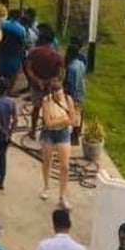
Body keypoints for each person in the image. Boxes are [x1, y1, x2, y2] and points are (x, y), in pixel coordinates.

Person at [39, 81, 77, 209]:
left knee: (65, 166)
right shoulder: (46, 100)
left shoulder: (68, 99)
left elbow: (73, 119)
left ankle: (62, 196)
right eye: (56, 94)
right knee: (47, 162)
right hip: (49, 133)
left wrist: (62, 121)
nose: (59, 96)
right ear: (52, 93)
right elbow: (48, 123)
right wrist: (63, 120)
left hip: (63, 133)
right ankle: (46, 187)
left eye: (60, 93)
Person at [25, 34, 65, 140]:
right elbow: (59, 75)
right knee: (49, 110)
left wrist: (37, 80)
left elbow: (28, 69)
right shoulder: (57, 56)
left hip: (36, 86)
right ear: (51, 42)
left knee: (36, 109)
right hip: (50, 88)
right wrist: (48, 82)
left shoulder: (33, 52)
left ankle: (33, 131)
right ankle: (45, 133)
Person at [0, 9, 27, 95]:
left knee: (1, 70)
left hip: (3, 49)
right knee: (13, 72)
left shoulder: (4, 24)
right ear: (19, 17)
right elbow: (22, 41)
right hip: (15, 52)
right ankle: (9, 90)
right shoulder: (21, 29)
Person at [64, 43, 87, 145]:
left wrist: (67, 97)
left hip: (74, 95)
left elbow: (70, 85)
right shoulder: (80, 63)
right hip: (81, 91)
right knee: (78, 114)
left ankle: (75, 138)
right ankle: (75, 134)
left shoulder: (71, 67)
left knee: (75, 115)